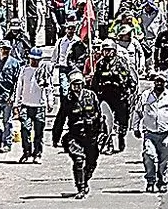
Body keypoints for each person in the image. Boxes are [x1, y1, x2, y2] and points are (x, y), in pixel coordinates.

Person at [52, 71, 104, 199]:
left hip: (91, 135)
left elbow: (99, 115)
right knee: (79, 160)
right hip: (75, 135)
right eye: (74, 85)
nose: (77, 87)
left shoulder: (91, 96)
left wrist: (102, 133)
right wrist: (55, 137)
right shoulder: (67, 100)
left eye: (79, 84)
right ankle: (80, 187)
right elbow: (60, 119)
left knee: (91, 162)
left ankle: (85, 179)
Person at [133, 71, 168, 193]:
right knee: (149, 155)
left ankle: (162, 181)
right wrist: (135, 127)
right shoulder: (146, 96)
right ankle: (150, 180)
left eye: (161, 81)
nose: (159, 83)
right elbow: (138, 112)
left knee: (164, 160)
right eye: (157, 81)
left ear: (165, 83)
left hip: (166, 134)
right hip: (150, 133)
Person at [90, 39, 138, 154]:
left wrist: (129, 92)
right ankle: (109, 143)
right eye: (104, 50)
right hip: (106, 97)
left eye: (109, 50)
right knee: (107, 121)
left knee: (123, 121)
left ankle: (121, 137)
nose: (106, 53)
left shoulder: (121, 63)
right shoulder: (100, 64)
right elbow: (96, 81)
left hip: (120, 96)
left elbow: (130, 79)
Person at [15, 47, 53, 163]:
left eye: (37, 60)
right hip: (26, 105)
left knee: (39, 132)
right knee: (25, 130)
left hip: (39, 107)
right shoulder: (24, 70)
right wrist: (16, 104)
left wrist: (50, 102)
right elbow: (19, 88)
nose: (34, 62)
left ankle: (37, 154)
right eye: (32, 59)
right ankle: (26, 152)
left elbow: (49, 88)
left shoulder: (43, 71)